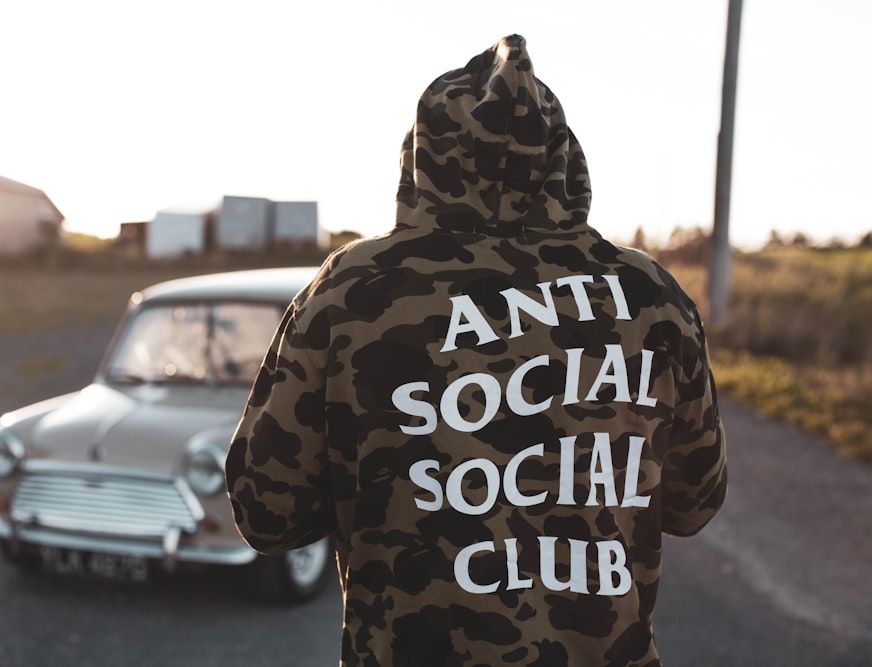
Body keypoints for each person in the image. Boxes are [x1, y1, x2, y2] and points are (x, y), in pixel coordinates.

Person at [226, 34, 727, 666]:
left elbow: (266, 513)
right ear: (562, 161)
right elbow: (693, 504)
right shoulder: (652, 297)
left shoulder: (352, 291)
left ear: (421, 160)